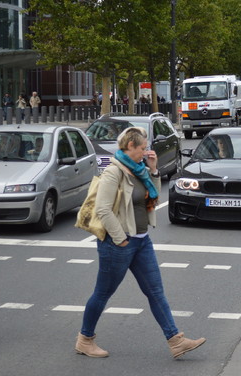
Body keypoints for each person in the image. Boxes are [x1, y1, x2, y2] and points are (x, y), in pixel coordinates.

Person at [76, 126, 205, 359]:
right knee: (103, 293)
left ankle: (176, 341)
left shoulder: (140, 170)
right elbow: (103, 209)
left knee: (155, 291)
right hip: (118, 244)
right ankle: (85, 340)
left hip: (142, 240)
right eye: (143, 148)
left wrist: (154, 170)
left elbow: (153, 198)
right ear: (130, 147)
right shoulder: (114, 172)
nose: (147, 151)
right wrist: (121, 239)